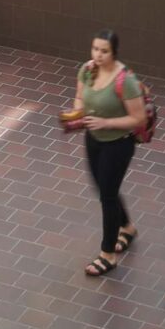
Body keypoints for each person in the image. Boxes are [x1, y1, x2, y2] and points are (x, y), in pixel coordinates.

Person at [69, 30, 145, 278]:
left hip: (118, 143)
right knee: (102, 188)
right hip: (94, 139)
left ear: (114, 53)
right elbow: (80, 96)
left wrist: (105, 123)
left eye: (104, 51)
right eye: (95, 49)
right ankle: (128, 228)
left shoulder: (126, 81)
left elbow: (138, 118)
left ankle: (108, 254)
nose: (98, 55)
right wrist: (77, 113)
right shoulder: (87, 70)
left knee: (107, 196)